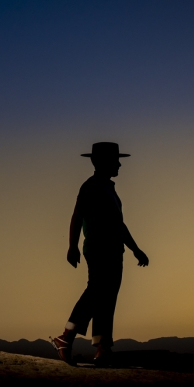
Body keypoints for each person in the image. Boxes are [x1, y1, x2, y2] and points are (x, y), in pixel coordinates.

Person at [51, 142, 148, 366]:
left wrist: (135, 249)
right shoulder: (91, 186)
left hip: (115, 251)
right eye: (116, 161)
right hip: (98, 249)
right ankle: (65, 338)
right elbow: (77, 215)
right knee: (96, 292)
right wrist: (72, 246)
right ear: (101, 162)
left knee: (108, 297)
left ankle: (103, 348)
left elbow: (119, 225)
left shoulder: (109, 189)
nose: (120, 164)